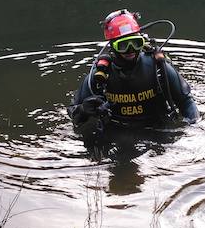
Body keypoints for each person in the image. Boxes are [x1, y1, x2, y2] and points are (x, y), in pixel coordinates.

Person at [69, 9, 198, 142]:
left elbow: (186, 101)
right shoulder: (100, 74)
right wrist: (84, 109)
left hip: (157, 129)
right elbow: (73, 110)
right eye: (123, 45)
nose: (130, 50)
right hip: (117, 132)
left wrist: (194, 129)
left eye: (136, 43)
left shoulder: (157, 67)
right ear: (112, 46)